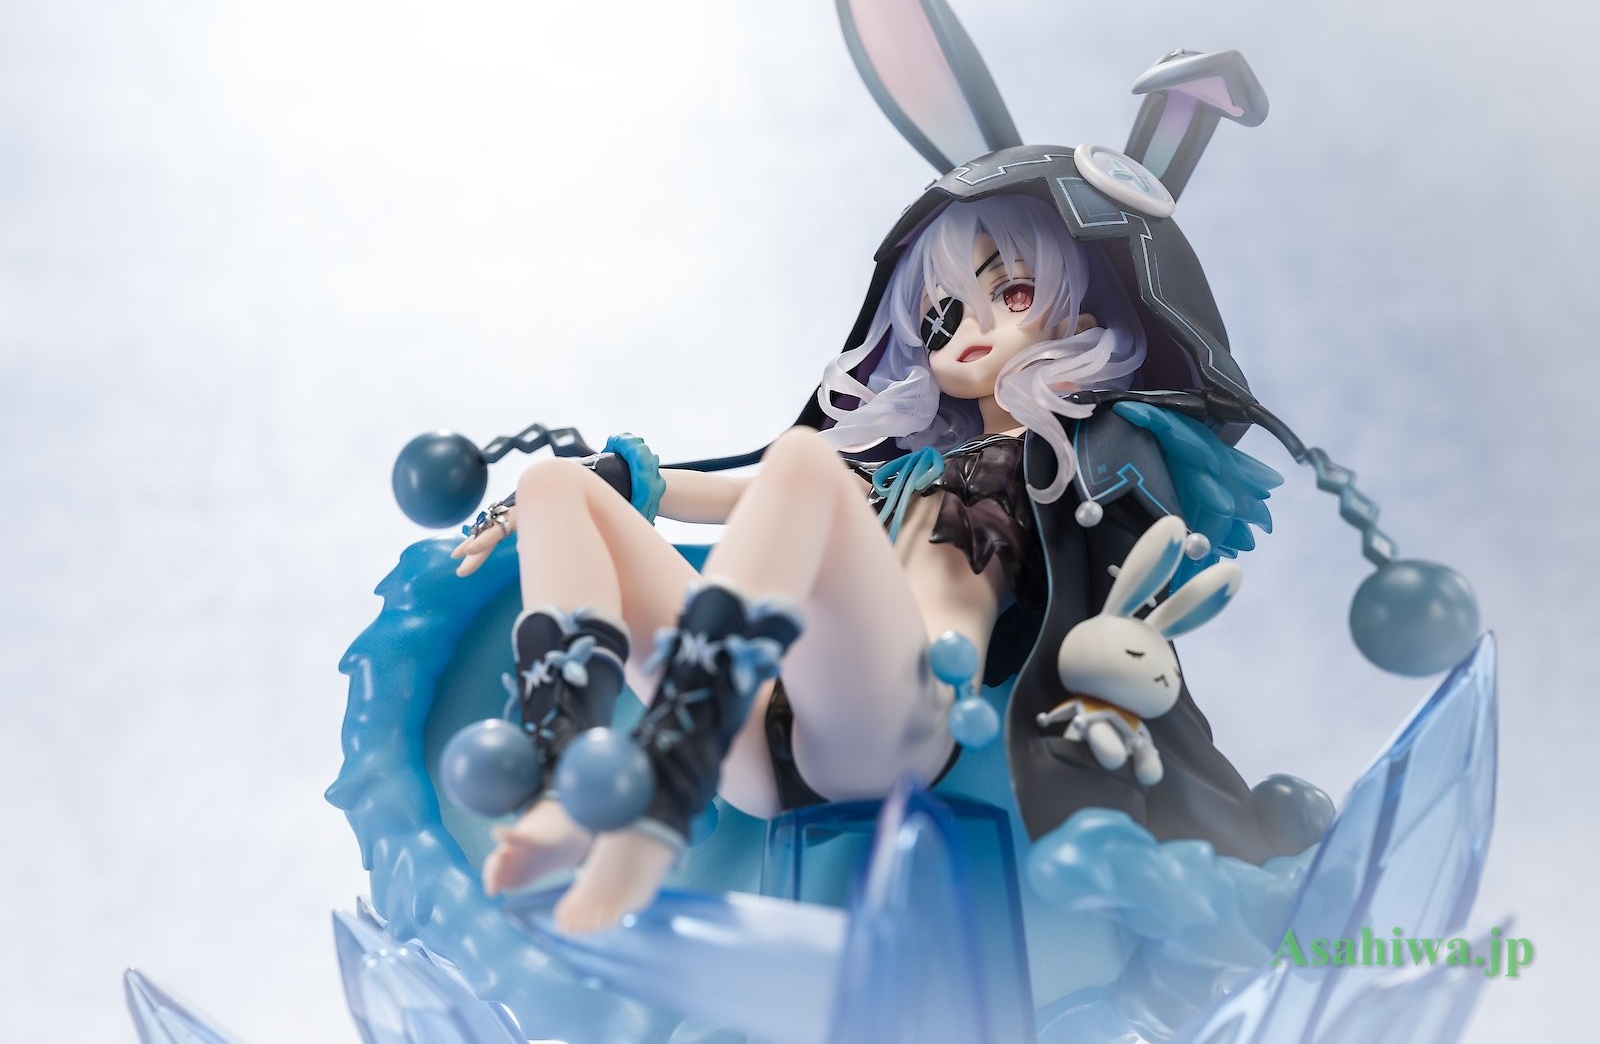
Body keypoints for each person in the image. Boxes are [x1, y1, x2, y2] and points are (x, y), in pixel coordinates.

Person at [449, 185, 1286, 935]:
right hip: (762, 731)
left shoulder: (1074, 462)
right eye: (942, 315)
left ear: (1079, 316)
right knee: (556, 482)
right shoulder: (883, 473)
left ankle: (656, 795)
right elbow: (717, 492)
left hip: (903, 719)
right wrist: (597, 482)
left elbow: (1139, 544)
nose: (968, 330)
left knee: (806, 466)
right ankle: (563, 777)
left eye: (1011, 293)